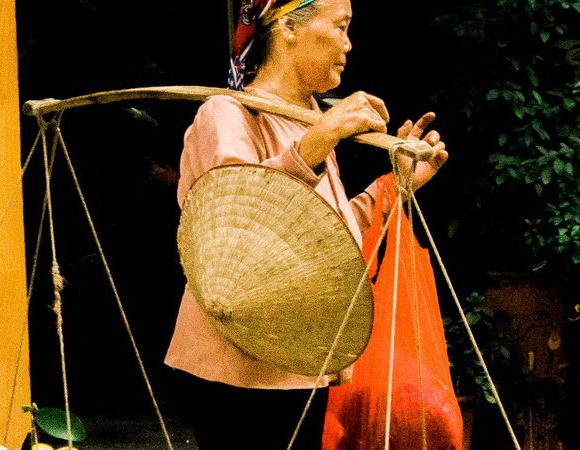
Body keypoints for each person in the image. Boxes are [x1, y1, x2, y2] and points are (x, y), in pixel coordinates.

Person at [163, 0, 448, 448]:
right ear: (289, 29)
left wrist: (398, 184)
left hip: (299, 355)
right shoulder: (229, 112)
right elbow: (236, 225)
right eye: (340, 26)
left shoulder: (308, 123)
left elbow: (322, 239)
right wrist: (320, 138)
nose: (348, 45)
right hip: (239, 364)